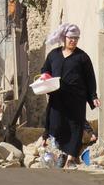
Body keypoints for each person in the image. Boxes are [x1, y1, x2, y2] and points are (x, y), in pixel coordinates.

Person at [39, 23, 99, 168]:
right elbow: (45, 70)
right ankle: (60, 154)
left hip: (76, 99)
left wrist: (93, 96)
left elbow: (90, 78)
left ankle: (71, 159)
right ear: (64, 38)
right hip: (57, 99)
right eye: (70, 38)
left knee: (75, 127)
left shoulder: (82, 57)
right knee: (55, 125)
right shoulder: (53, 55)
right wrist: (44, 78)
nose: (73, 41)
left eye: (76, 38)